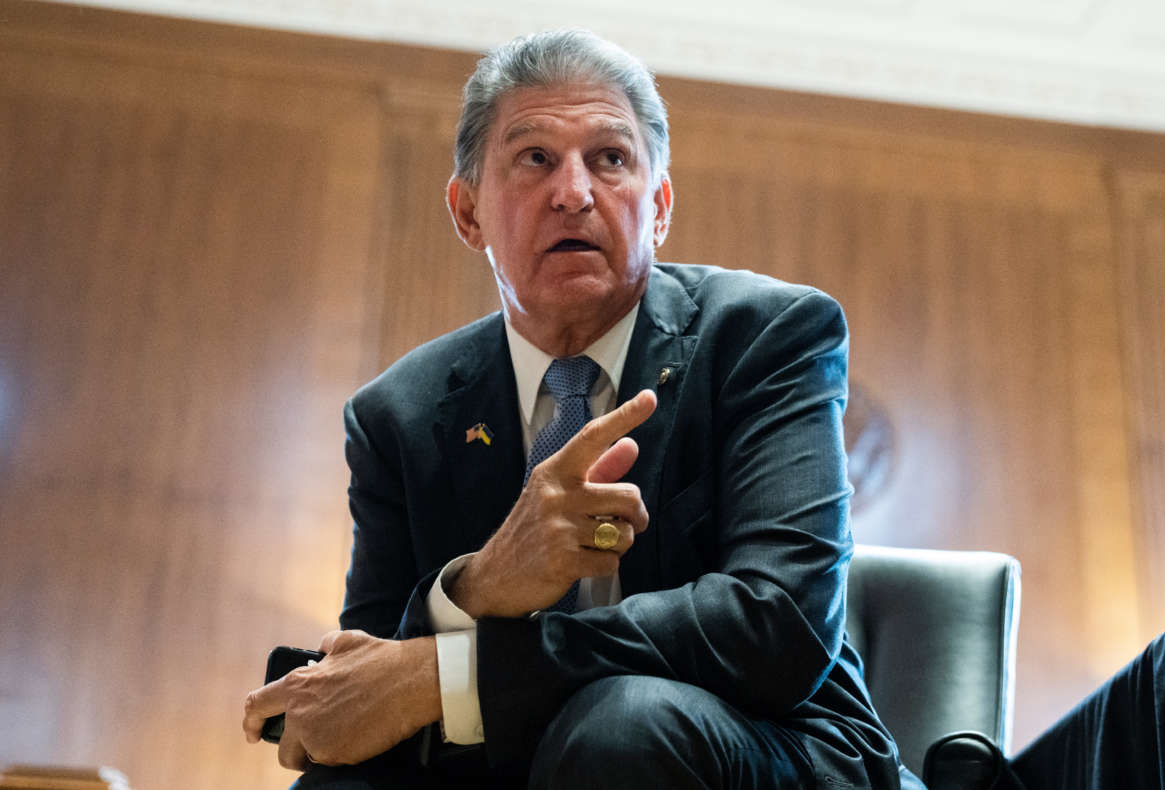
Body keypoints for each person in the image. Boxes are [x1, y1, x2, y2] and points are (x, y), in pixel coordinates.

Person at [242, 28, 920, 789]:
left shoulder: (764, 336)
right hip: (514, 762)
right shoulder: (400, 415)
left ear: (658, 208)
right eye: (535, 159)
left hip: (771, 749)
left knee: (622, 724)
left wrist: (454, 677)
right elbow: (374, 676)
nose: (574, 191)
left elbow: (775, 625)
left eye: (611, 159)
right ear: (467, 213)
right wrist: (478, 587)